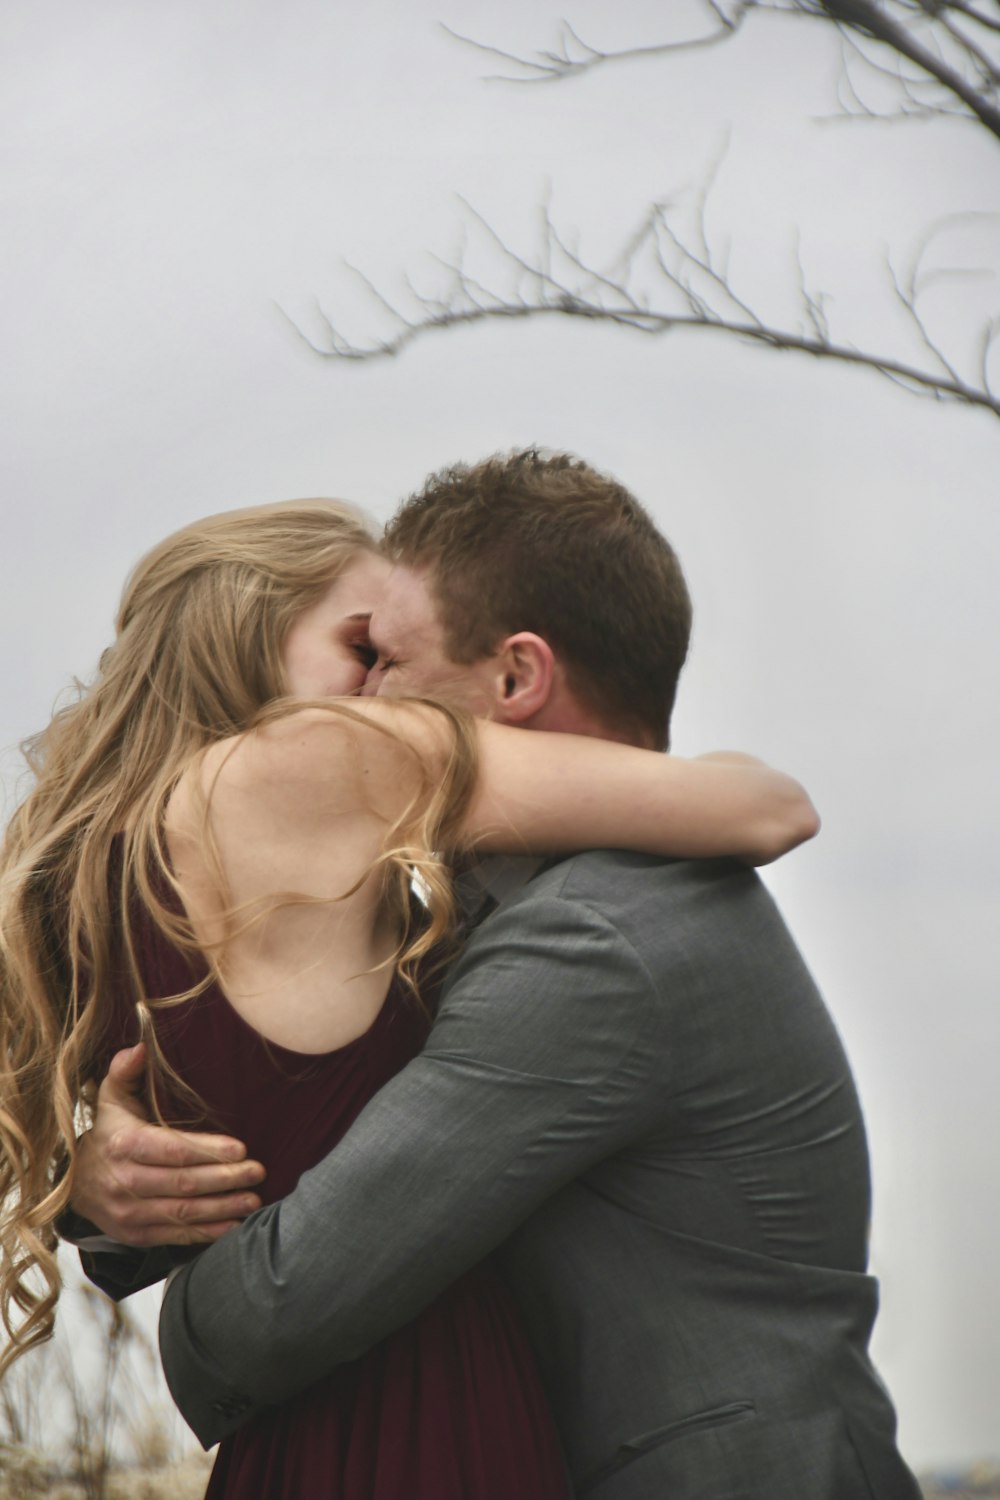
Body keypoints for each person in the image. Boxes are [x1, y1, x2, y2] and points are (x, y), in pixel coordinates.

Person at [71, 451, 920, 1499]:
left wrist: (187, 1332)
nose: (367, 698)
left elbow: (298, 1293)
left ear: (515, 678)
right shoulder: (486, 907)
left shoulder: (597, 935)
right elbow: (309, 1109)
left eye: (386, 657)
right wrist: (105, 1194)